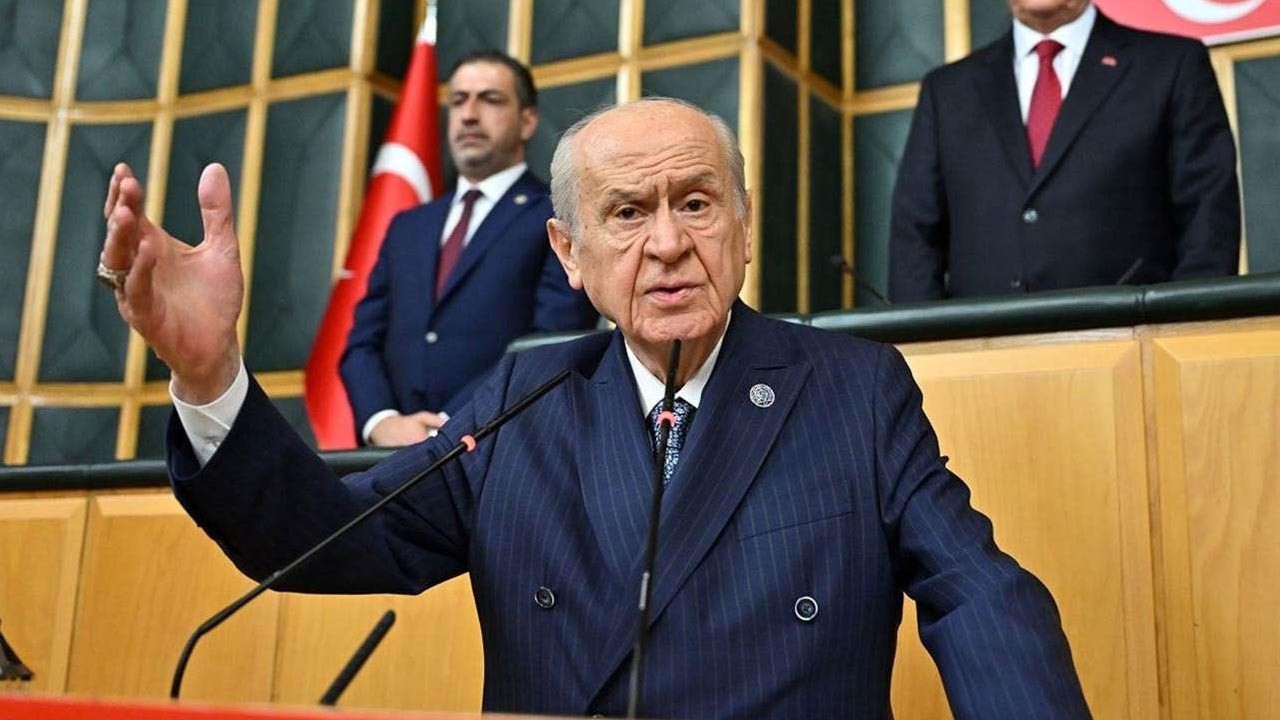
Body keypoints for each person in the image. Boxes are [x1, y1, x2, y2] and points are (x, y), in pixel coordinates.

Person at [98, 98, 1090, 718]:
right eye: (626, 212)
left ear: (743, 229)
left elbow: (980, 597)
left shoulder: (853, 390)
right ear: (570, 256)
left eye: (695, 203)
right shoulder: (520, 402)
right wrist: (208, 374)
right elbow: (318, 542)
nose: (667, 243)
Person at [889, 0, 1240, 302]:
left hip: (1130, 345)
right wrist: (924, 346)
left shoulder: (1172, 66)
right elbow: (915, 241)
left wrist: (1184, 330)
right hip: (980, 349)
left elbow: (1207, 221)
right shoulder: (947, 91)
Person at [341, 50, 597, 447]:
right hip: (391, 457)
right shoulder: (408, 225)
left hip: (501, 448)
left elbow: (551, 340)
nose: (469, 115)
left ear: (527, 121)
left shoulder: (556, 217)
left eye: (490, 99)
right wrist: (382, 421)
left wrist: (448, 426)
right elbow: (362, 342)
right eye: (458, 100)